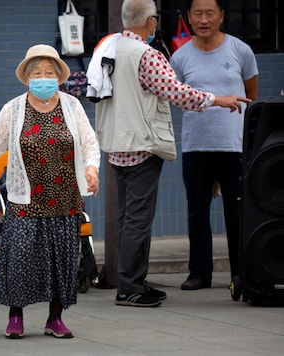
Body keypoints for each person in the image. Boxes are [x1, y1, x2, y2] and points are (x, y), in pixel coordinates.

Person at [93, 0, 251, 307]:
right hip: (141, 145)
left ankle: (133, 281)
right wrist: (219, 99)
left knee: (129, 218)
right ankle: (130, 288)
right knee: (139, 219)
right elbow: (178, 92)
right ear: (151, 22)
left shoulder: (108, 47)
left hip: (116, 145)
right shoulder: (147, 55)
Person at [0, 44, 101, 339]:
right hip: (26, 199)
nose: (44, 78)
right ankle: (16, 315)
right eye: (38, 73)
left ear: (58, 77)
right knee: (21, 257)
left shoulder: (72, 106)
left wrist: (92, 169)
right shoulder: (13, 109)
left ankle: (55, 318)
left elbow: (89, 142)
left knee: (62, 260)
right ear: (28, 78)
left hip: (66, 198)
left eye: (49, 73)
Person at [170, 0, 258, 291]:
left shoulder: (240, 50)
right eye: (198, 13)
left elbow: (251, 95)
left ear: (221, 16)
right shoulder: (180, 57)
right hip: (196, 145)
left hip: (233, 145)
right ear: (189, 18)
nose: (204, 19)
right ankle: (199, 272)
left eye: (210, 13)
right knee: (197, 210)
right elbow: (177, 96)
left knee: (238, 211)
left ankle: (242, 271)